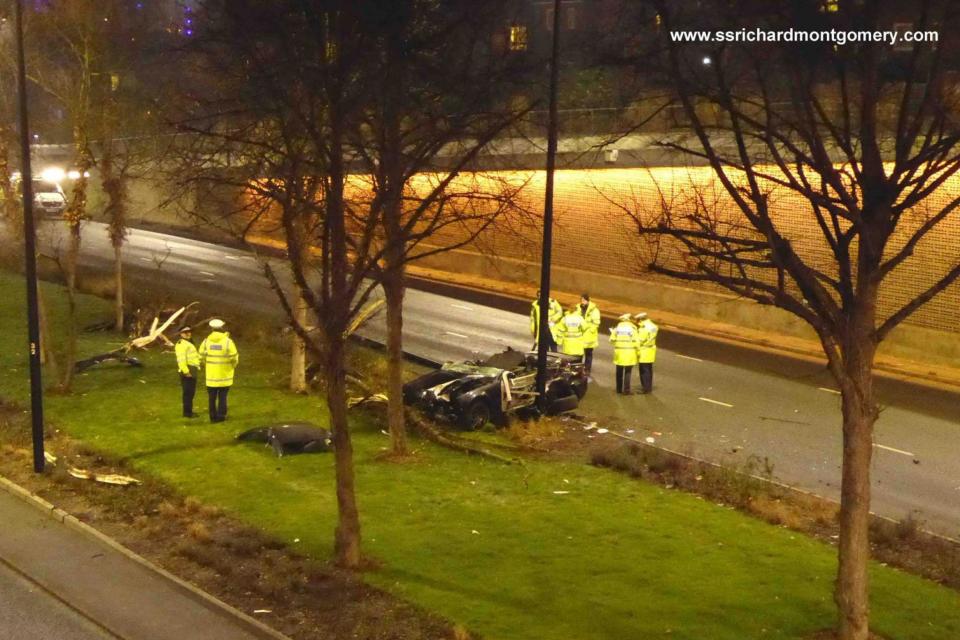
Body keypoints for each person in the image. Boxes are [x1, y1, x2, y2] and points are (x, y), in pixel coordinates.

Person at [199, 318, 239, 423]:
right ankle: (221, 416)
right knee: (223, 397)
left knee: (211, 398)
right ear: (222, 328)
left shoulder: (206, 341)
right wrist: (233, 366)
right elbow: (234, 357)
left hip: (211, 376)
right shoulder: (228, 342)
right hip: (225, 375)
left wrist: (205, 364)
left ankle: (212, 417)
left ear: (211, 329)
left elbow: (201, 356)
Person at [609, 313, 639, 394]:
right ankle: (626, 390)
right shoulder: (633, 328)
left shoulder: (617, 328)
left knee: (619, 371)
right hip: (629, 353)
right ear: (629, 320)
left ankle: (618, 389)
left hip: (619, 353)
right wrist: (638, 352)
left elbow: (611, 340)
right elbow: (637, 342)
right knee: (628, 372)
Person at [174, 326, 200, 418]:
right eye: (185, 332)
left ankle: (189, 411)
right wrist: (186, 371)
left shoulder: (188, 342)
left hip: (192, 368)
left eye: (189, 331)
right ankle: (187, 413)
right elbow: (181, 360)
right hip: (188, 369)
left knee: (190, 392)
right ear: (181, 334)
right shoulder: (181, 344)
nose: (188, 333)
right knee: (188, 393)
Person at [634, 312, 659, 394]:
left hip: (644, 350)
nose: (637, 323)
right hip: (651, 350)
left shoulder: (644, 328)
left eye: (637, 321)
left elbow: (640, 340)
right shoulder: (653, 326)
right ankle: (648, 386)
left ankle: (645, 388)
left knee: (644, 370)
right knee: (649, 369)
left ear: (640, 320)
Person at [579, 294, 601, 375]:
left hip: (589, 336)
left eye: (584, 300)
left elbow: (596, 323)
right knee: (579, 353)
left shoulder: (594, 310)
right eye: (581, 300)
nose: (582, 302)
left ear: (588, 300)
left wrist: (590, 330)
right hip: (581, 334)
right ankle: (579, 368)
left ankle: (587, 369)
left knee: (588, 353)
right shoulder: (579, 308)